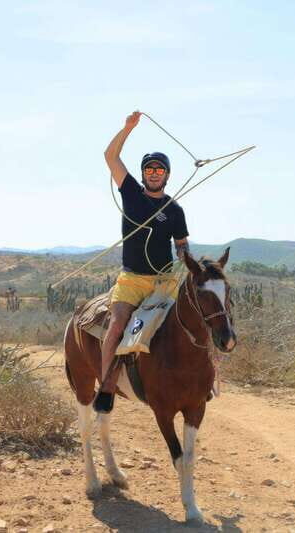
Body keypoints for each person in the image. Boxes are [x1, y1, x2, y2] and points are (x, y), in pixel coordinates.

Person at [93, 111, 190, 413]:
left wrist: (187, 265)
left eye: (160, 169)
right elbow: (110, 156)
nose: (154, 173)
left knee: (192, 321)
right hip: (132, 280)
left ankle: (204, 377)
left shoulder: (175, 210)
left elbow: (182, 247)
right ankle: (107, 386)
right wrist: (128, 129)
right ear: (144, 172)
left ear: (167, 175)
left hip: (163, 281)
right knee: (118, 324)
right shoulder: (131, 192)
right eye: (150, 168)